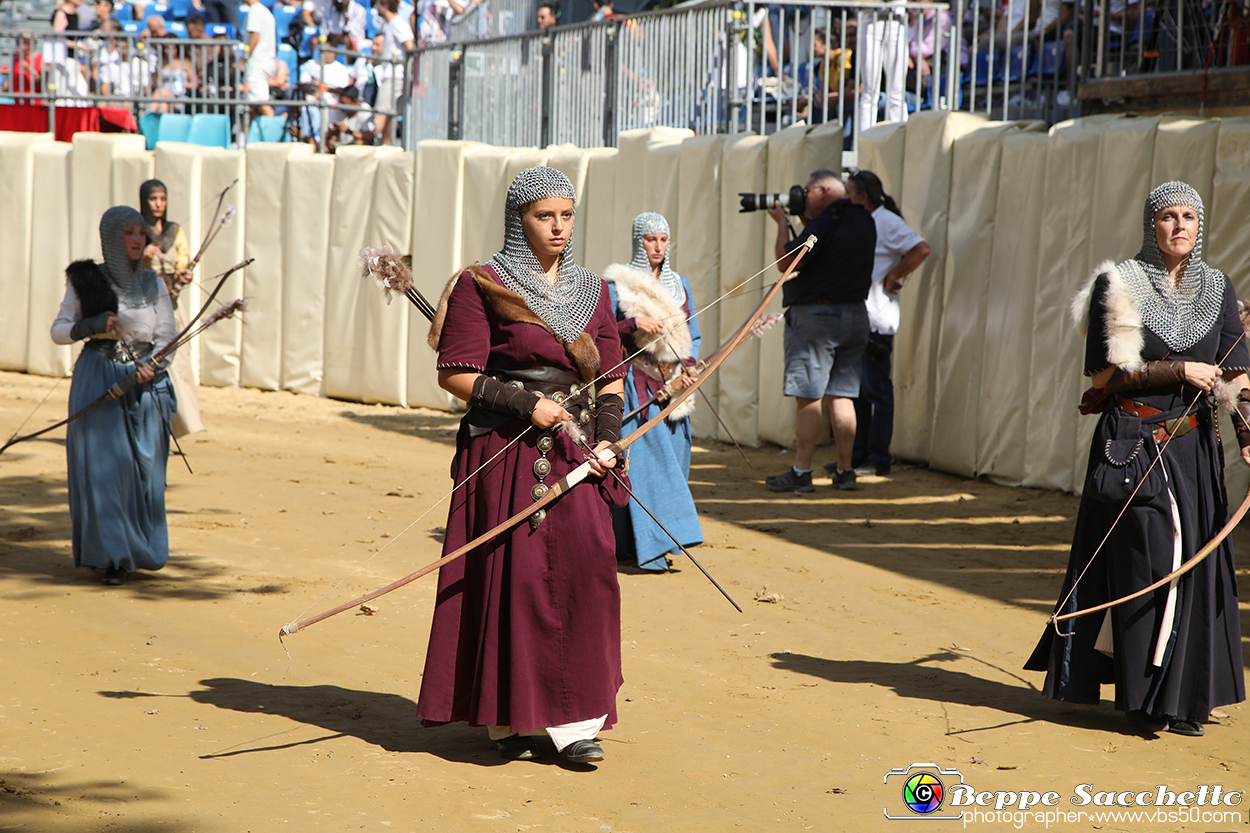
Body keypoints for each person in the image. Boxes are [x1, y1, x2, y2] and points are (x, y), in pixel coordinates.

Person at [416, 167, 630, 765]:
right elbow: (455, 371)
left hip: (576, 450)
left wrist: (606, 439)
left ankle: (576, 722)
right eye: (544, 216)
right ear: (519, 220)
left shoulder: (595, 289)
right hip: (506, 451)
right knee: (514, 577)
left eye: (566, 215)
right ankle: (508, 716)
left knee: (588, 571)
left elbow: (611, 377)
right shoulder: (481, 284)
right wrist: (526, 403)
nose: (559, 227)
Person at [1025, 182, 1249, 738]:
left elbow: (1237, 372)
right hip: (1134, 441)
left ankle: (1185, 697)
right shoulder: (1118, 283)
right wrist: (1176, 371)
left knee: (1192, 566)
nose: (1179, 226)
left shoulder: (1218, 287)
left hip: (1195, 449)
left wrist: (1248, 431)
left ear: (1200, 227)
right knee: (1147, 567)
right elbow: (1102, 377)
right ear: (1153, 225)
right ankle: (1146, 699)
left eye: (1189, 217)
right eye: (1169, 217)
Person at [50, 206, 178, 587]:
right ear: (112, 238)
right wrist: (92, 326)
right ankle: (114, 557)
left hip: (144, 382)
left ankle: (140, 547)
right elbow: (59, 331)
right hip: (99, 378)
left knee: (145, 472)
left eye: (141, 233)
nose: (139, 240)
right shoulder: (87, 280)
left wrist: (153, 366)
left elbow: (168, 335)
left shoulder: (153, 283)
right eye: (130, 233)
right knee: (108, 471)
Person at [764, 170, 876, 493]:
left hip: (818, 317)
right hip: (855, 315)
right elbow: (830, 257)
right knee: (842, 395)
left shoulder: (828, 220)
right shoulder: (864, 220)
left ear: (824, 190)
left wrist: (782, 223)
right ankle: (845, 470)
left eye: (808, 190)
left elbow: (788, 261)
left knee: (809, 396)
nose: (804, 195)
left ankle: (801, 472)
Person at [604, 212, 703, 572]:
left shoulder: (682, 285)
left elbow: (692, 334)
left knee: (675, 464)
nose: (658, 247)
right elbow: (599, 333)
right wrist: (633, 323)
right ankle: (645, 550)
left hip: (674, 388)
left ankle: (657, 541)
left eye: (663, 240)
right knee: (643, 469)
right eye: (650, 240)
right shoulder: (618, 286)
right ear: (638, 242)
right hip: (636, 387)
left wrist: (690, 365)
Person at [843, 170, 929, 478]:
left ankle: (878, 456)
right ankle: (859, 454)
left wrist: (894, 275)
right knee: (860, 392)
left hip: (877, 320)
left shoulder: (887, 221)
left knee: (876, 390)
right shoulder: (867, 221)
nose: (846, 198)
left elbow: (921, 248)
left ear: (863, 197)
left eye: (849, 193)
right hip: (861, 318)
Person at [140, 179, 204, 439]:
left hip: (172, 308)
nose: (158, 204)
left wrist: (184, 276)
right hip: (144, 311)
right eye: (153, 199)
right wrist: (143, 255)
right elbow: (116, 264)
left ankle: (176, 426)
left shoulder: (175, 231)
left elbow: (181, 265)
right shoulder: (136, 231)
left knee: (179, 368)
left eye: (162, 199)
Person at [857, 0, 908, 128]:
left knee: (897, 92)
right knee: (869, 91)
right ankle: (865, 142)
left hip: (897, 22)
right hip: (871, 21)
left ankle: (900, 141)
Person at [374, 0, 415, 145]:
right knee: (390, 115)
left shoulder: (397, 23)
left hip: (394, 76)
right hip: (393, 75)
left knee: (381, 114)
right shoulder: (392, 24)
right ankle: (385, 148)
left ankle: (365, 146)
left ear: (385, 6)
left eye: (378, 5)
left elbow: (410, 45)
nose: (375, 8)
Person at [244, 0, 277, 116]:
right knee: (253, 105)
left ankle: (275, 130)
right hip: (265, 62)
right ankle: (248, 133)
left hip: (257, 63)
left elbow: (255, 36)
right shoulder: (265, 11)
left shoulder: (255, 10)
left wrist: (245, 55)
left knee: (261, 103)